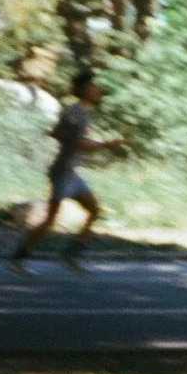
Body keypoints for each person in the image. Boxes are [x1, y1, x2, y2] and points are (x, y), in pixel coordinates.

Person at [11, 68, 120, 272]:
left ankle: (70, 256)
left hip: (71, 172)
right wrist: (106, 145)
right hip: (63, 172)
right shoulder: (77, 113)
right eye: (93, 87)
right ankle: (19, 259)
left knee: (94, 210)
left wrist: (63, 135)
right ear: (85, 90)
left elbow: (56, 132)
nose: (97, 90)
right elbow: (78, 144)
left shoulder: (77, 112)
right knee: (50, 220)